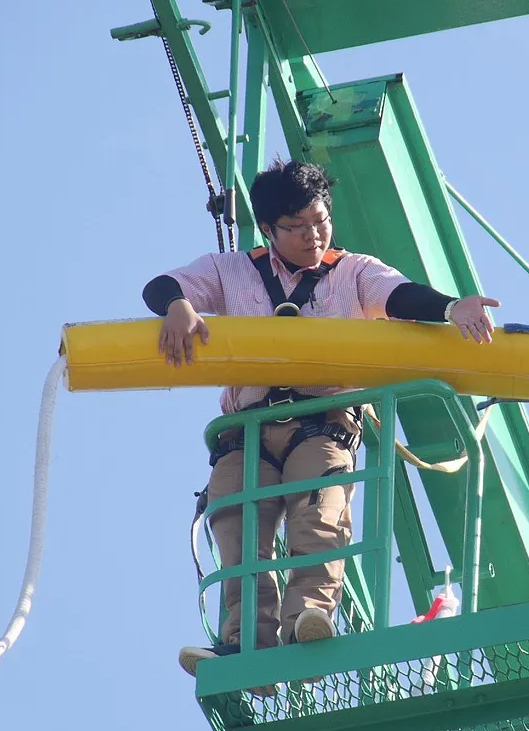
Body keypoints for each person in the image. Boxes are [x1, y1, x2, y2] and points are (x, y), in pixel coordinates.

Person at [141, 159, 500, 676]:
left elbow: (398, 296)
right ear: (269, 228)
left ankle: (309, 616)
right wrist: (177, 305)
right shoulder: (233, 270)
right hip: (248, 429)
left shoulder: (352, 271)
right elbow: (163, 284)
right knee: (236, 527)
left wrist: (450, 309)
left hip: (322, 418)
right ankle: (245, 645)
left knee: (320, 512)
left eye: (321, 220)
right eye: (298, 226)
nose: (314, 235)